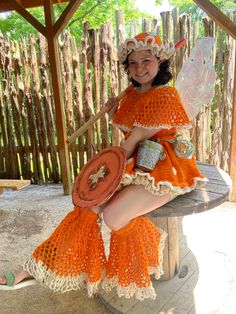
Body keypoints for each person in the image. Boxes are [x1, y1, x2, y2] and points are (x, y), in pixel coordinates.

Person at [0, 32, 207, 300]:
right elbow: (129, 134)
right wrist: (114, 113)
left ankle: (149, 253)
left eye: (146, 60)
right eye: (133, 63)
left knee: (112, 216)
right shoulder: (132, 94)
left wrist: (104, 173)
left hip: (165, 168)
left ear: (160, 62)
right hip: (136, 161)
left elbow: (134, 139)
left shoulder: (165, 96)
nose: (139, 68)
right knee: (87, 206)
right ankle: (35, 267)